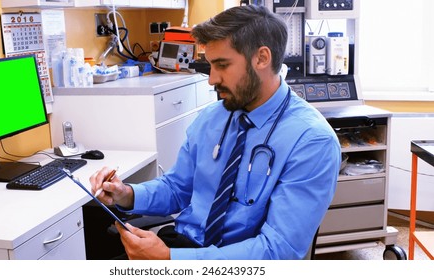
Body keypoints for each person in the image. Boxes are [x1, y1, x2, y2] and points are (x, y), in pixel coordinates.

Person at [90, 5, 341, 260]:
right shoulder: (213, 118)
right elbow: (177, 188)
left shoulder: (312, 142)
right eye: (210, 65)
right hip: (183, 245)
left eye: (222, 65)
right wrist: (127, 195)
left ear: (262, 58)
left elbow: (279, 250)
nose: (211, 79)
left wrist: (171, 261)